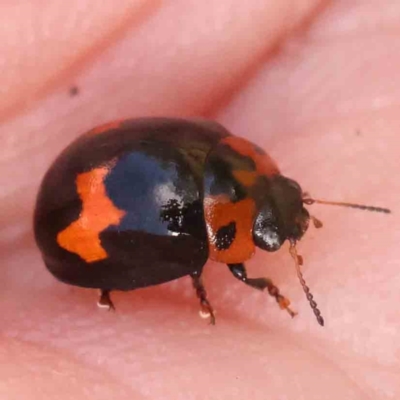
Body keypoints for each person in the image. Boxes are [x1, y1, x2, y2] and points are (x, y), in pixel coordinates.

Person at [0, 1, 397, 399]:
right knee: (213, 265)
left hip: (83, 172)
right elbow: (224, 263)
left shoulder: (212, 140)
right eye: (266, 234)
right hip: (65, 225)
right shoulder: (198, 224)